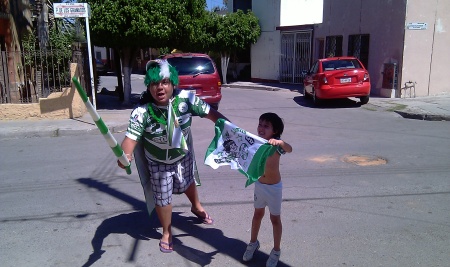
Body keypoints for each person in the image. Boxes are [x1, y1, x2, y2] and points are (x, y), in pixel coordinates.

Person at [118, 59, 228, 253]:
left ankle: (196, 206)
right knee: (163, 197)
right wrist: (124, 155)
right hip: (158, 161)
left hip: (183, 154)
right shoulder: (142, 111)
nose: (159, 87)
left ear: (173, 83)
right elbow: (130, 139)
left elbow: (212, 114)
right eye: (154, 83)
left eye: (164, 82)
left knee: (188, 181)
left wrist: (231, 129)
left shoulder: (187, 100)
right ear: (149, 86)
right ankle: (167, 231)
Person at [242, 112, 292, 267]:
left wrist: (280, 142)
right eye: (260, 124)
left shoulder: (276, 147)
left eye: (266, 126)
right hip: (259, 185)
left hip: (274, 188)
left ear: (274, 131)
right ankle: (253, 243)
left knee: (275, 219)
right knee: (257, 215)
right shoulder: (256, 143)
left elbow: (289, 149)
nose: (261, 128)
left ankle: (276, 250)